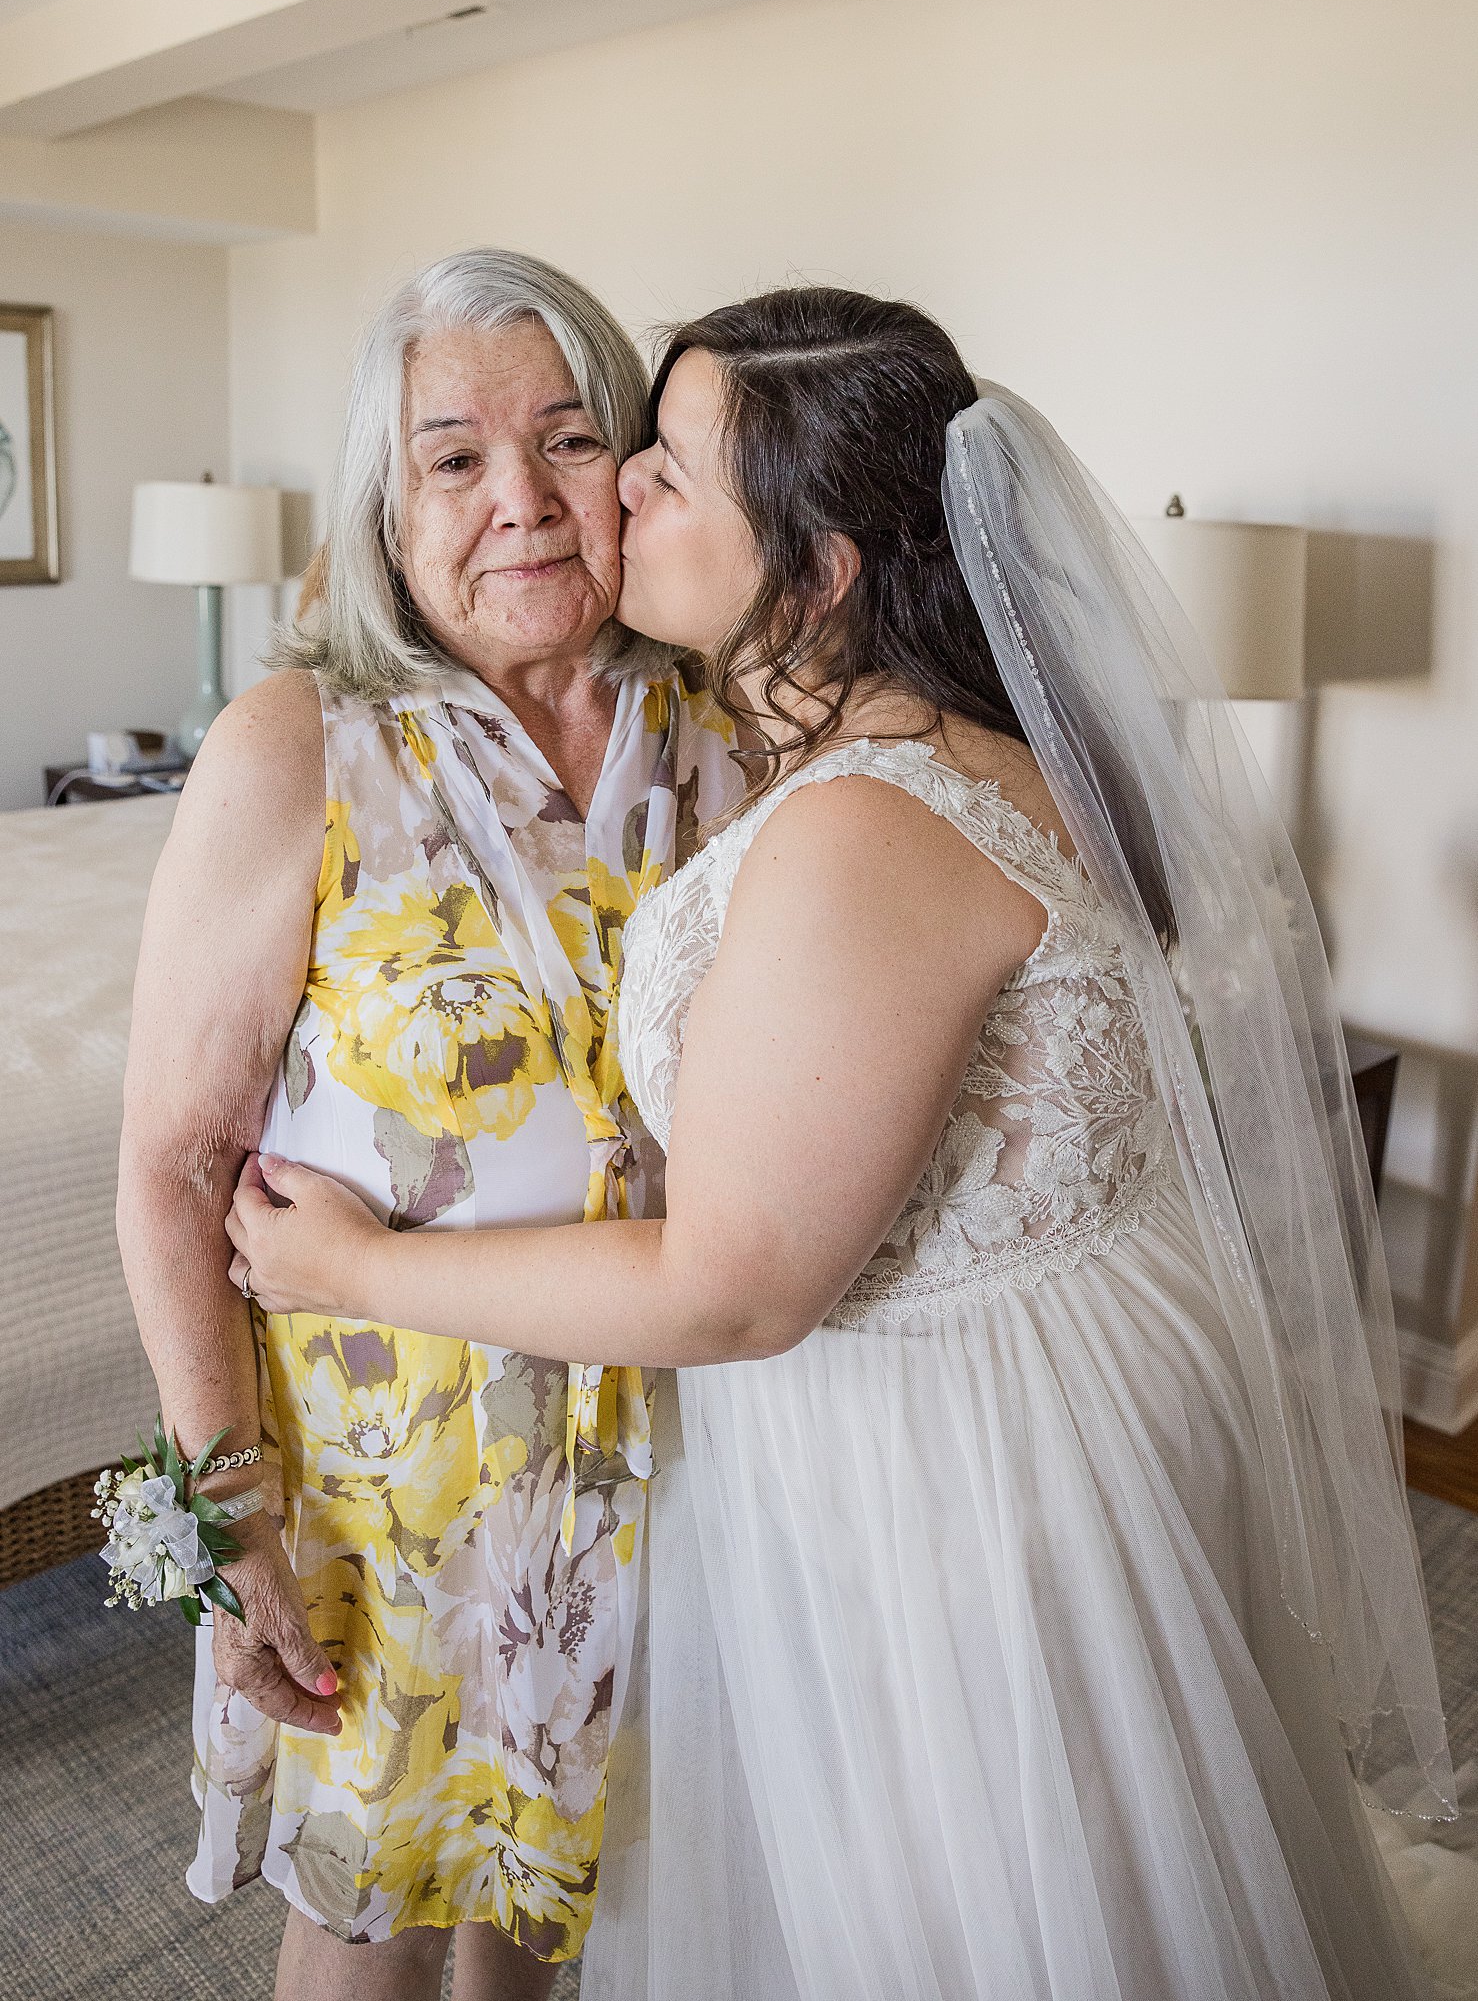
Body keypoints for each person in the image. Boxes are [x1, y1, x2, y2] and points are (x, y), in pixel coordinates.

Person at [225, 286, 1473, 2000]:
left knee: (963, 1899)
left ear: (811, 573)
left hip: (942, 1462)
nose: (608, 503)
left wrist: (352, 1263)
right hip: (1059, 1380)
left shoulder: (861, 827)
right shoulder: (956, 753)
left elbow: (736, 1288)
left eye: (655, 467)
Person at [116, 248, 737, 2001]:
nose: (521, 504)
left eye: (563, 441)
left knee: (549, 1904)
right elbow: (171, 1167)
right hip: (391, 1486)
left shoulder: (718, 732)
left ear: (633, 471)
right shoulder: (295, 745)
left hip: (675, 1449)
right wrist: (230, 1518)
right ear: (389, 501)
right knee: (371, 1919)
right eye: (454, 458)